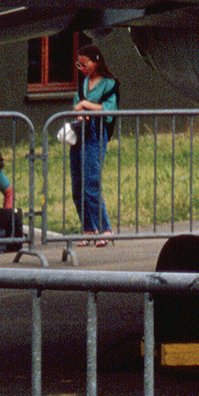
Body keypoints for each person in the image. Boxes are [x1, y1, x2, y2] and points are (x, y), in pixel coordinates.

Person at [70, 42, 118, 245]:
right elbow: (75, 104)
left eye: (85, 64)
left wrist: (86, 105)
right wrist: (79, 112)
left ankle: (105, 229)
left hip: (96, 135)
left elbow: (108, 109)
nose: (82, 69)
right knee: (77, 184)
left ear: (96, 62)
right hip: (80, 133)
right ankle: (88, 228)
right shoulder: (83, 83)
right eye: (78, 65)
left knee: (91, 181)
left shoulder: (109, 84)